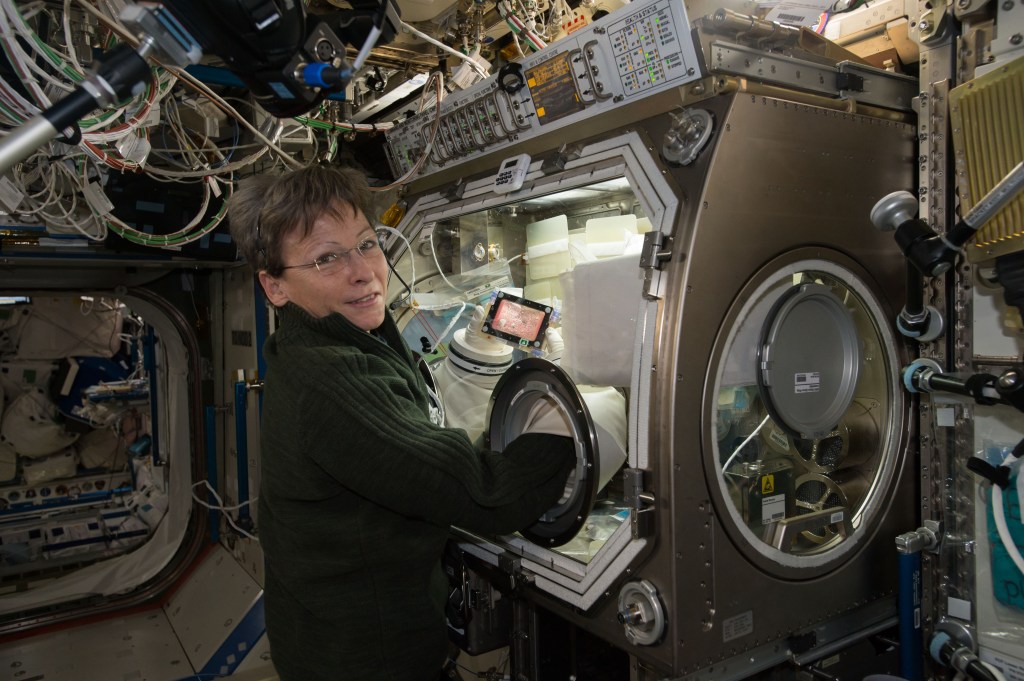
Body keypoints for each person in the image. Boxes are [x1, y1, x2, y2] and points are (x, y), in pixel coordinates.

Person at [226, 163, 576, 681]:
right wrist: (570, 428)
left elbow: (407, 437)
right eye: (326, 259)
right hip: (365, 658)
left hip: (327, 634)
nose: (363, 271)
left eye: (367, 244)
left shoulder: (330, 337)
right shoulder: (330, 380)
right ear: (274, 288)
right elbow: (488, 495)